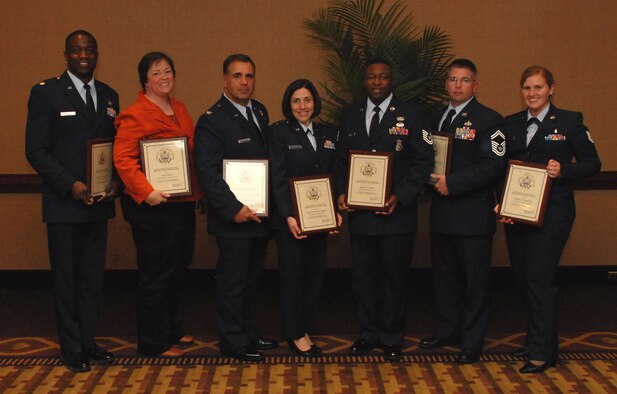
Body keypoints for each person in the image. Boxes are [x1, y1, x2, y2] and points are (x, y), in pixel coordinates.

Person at [25, 30, 119, 372]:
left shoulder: (109, 95)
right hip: (65, 204)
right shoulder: (47, 93)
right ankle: (71, 347)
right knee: (66, 278)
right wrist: (71, 185)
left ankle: (89, 342)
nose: (83, 55)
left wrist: (116, 184)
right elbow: (35, 150)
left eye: (89, 50)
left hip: (100, 204)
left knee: (92, 279)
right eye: (77, 50)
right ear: (66, 54)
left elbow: (116, 149)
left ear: (97, 54)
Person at [499, 66, 600, 373]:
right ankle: (535, 340)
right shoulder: (510, 124)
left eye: (539, 88)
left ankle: (543, 353)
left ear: (551, 89)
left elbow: (592, 163)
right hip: (517, 214)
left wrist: (563, 170)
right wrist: (500, 202)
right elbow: (500, 166)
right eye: (527, 88)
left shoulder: (570, 121)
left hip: (553, 213)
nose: (532, 93)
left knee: (539, 278)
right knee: (522, 278)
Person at [335, 59, 434, 361]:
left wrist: (400, 196)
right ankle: (367, 334)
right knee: (363, 279)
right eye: (371, 77)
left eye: (383, 77)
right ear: (363, 81)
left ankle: (391, 336)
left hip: (397, 215)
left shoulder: (413, 115)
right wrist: (341, 192)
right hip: (362, 216)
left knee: (394, 278)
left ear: (393, 81)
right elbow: (340, 163)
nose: (377, 82)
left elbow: (423, 162)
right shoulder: (349, 116)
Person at [113, 52, 203, 357]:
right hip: (151, 207)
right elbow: (122, 160)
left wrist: (199, 192)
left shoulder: (180, 108)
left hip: (181, 203)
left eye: (168, 71)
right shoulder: (134, 114)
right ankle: (152, 341)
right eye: (156, 73)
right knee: (156, 272)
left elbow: (189, 155)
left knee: (178, 266)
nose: (164, 77)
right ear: (144, 80)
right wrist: (146, 190)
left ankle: (170, 328)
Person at [420, 59, 507, 364]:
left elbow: (493, 166)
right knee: (445, 279)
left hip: (472, 216)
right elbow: (424, 160)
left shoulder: (489, 120)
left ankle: (471, 341)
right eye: (453, 79)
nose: (457, 85)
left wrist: (452, 184)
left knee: (474, 282)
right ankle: (446, 332)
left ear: (475, 85)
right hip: (442, 214)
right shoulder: (436, 119)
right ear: (446, 84)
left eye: (464, 80)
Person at [194, 54, 278, 362]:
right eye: (238, 76)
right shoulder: (211, 120)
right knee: (232, 282)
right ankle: (233, 341)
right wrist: (233, 208)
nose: (244, 82)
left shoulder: (259, 110)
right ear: (225, 80)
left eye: (250, 76)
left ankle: (248, 331)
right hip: (233, 218)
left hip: (258, 216)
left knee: (251, 280)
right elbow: (207, 171)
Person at [269, 79, 341, 357]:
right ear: (289, 104)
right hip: (291, 223)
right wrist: (288, 215)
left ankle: (305, 327)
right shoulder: (278, 133)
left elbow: (335, 175)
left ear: (315, 102)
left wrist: (334, 209)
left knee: (313, 276)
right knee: (292, 278)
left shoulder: (329, 133)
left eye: (307, 100)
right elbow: (277, 178)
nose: (302, 106)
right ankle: (294, 333)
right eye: (296, 100)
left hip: (320, 220)